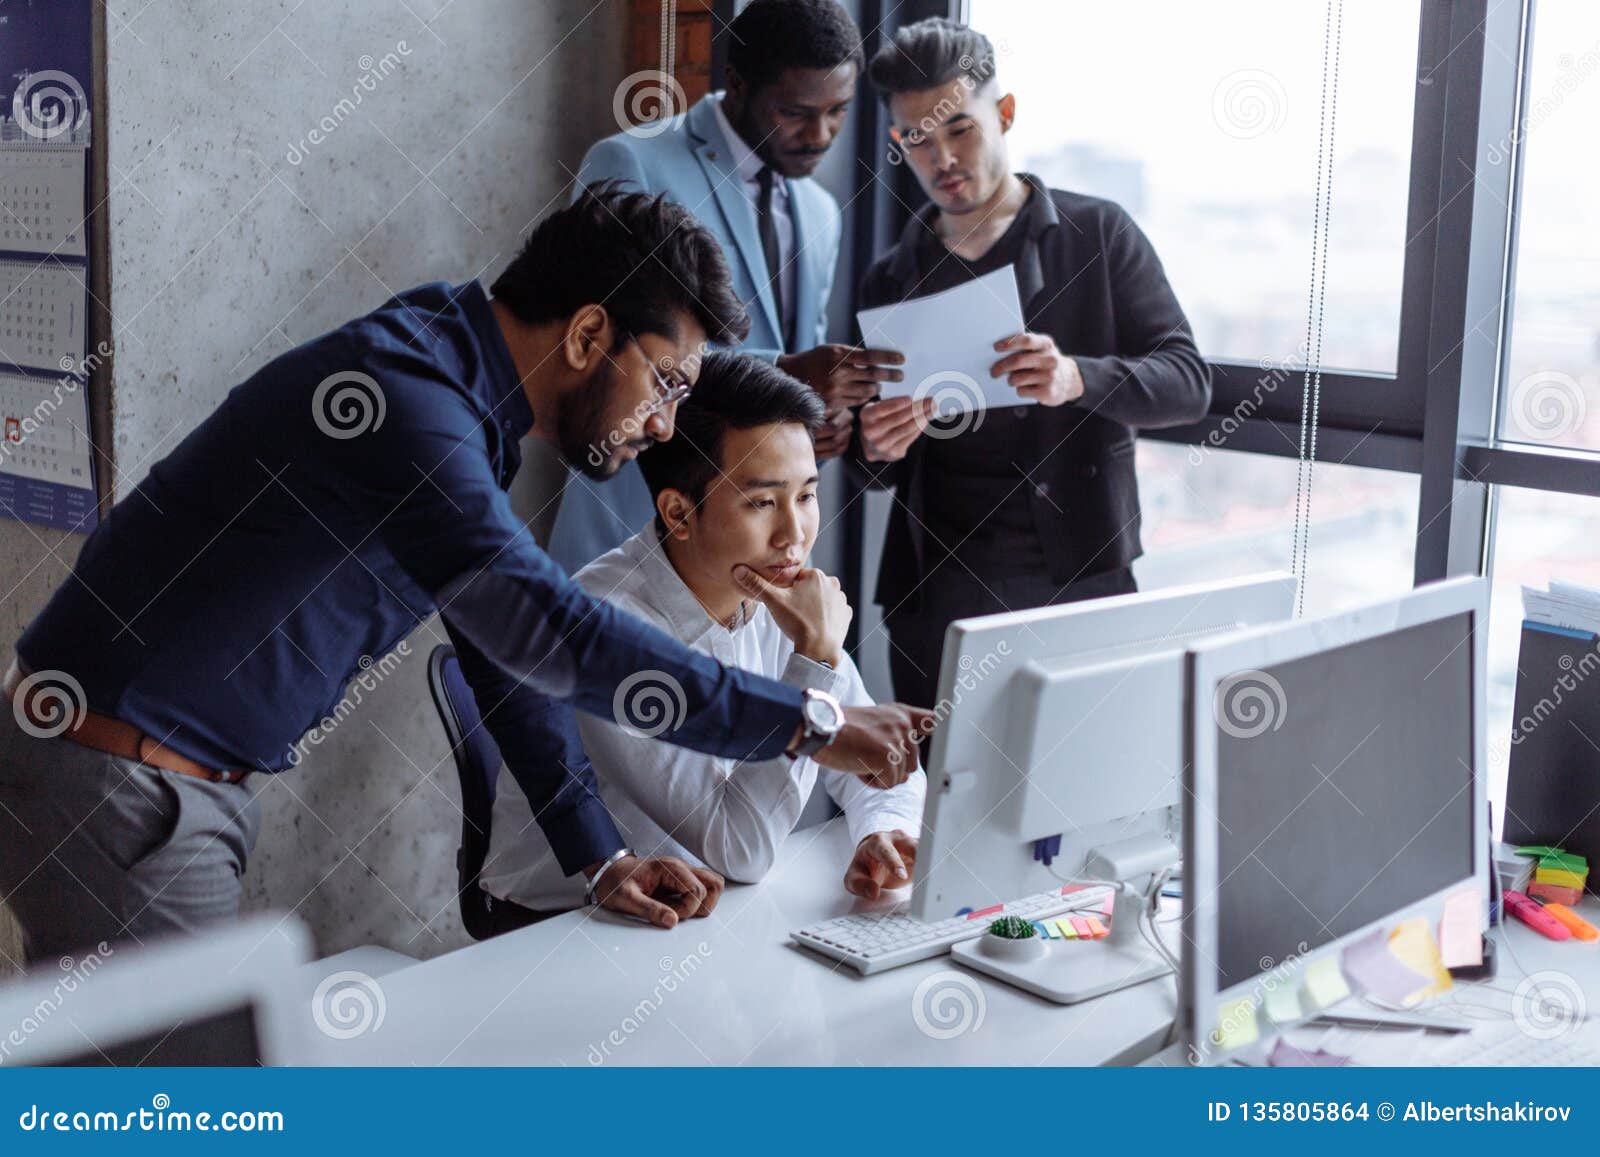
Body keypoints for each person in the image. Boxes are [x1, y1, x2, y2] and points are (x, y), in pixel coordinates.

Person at [0, 186, 930, 964]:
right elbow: (542, 627)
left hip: (153, 779)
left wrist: (600, 857)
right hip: (122, 783)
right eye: (667, 383)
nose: (661, 425)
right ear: (586, 334)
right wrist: (809, 722)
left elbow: (499, 646)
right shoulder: (407, 402)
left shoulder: (447, 393)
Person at [852, 18, 1212, 709]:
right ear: (898, 142)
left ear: (1006, 113)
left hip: (1077, 581)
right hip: (935, 592)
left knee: (1055, 799)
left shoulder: (1098, 236)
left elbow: (1189, 384)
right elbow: (875, 470)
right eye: (918, 139)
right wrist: (876, 443)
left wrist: (1078, 377)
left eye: (959, 128)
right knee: (932, 800)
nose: (942, 159)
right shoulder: (891, 277)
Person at [483, 353, 924, 914]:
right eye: (762, 502)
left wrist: (880, 830)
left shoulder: (776, 589)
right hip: (564, 924)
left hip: (701, 911)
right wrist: (816, 659)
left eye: (807, 495)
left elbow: (876, 755)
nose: (794, 535)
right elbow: (742, 849)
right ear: (678, 513)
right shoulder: (609, 623)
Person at [548, 0, 904, 573]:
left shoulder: (820, 211)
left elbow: (796, 366)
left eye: (838, 110)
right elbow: (605, 349)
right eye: (795, 111)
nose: (821, 135)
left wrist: (816, 416)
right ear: (736, 84)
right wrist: (784, 372)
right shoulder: (630, 163)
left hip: (756, 552)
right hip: (636, 532)